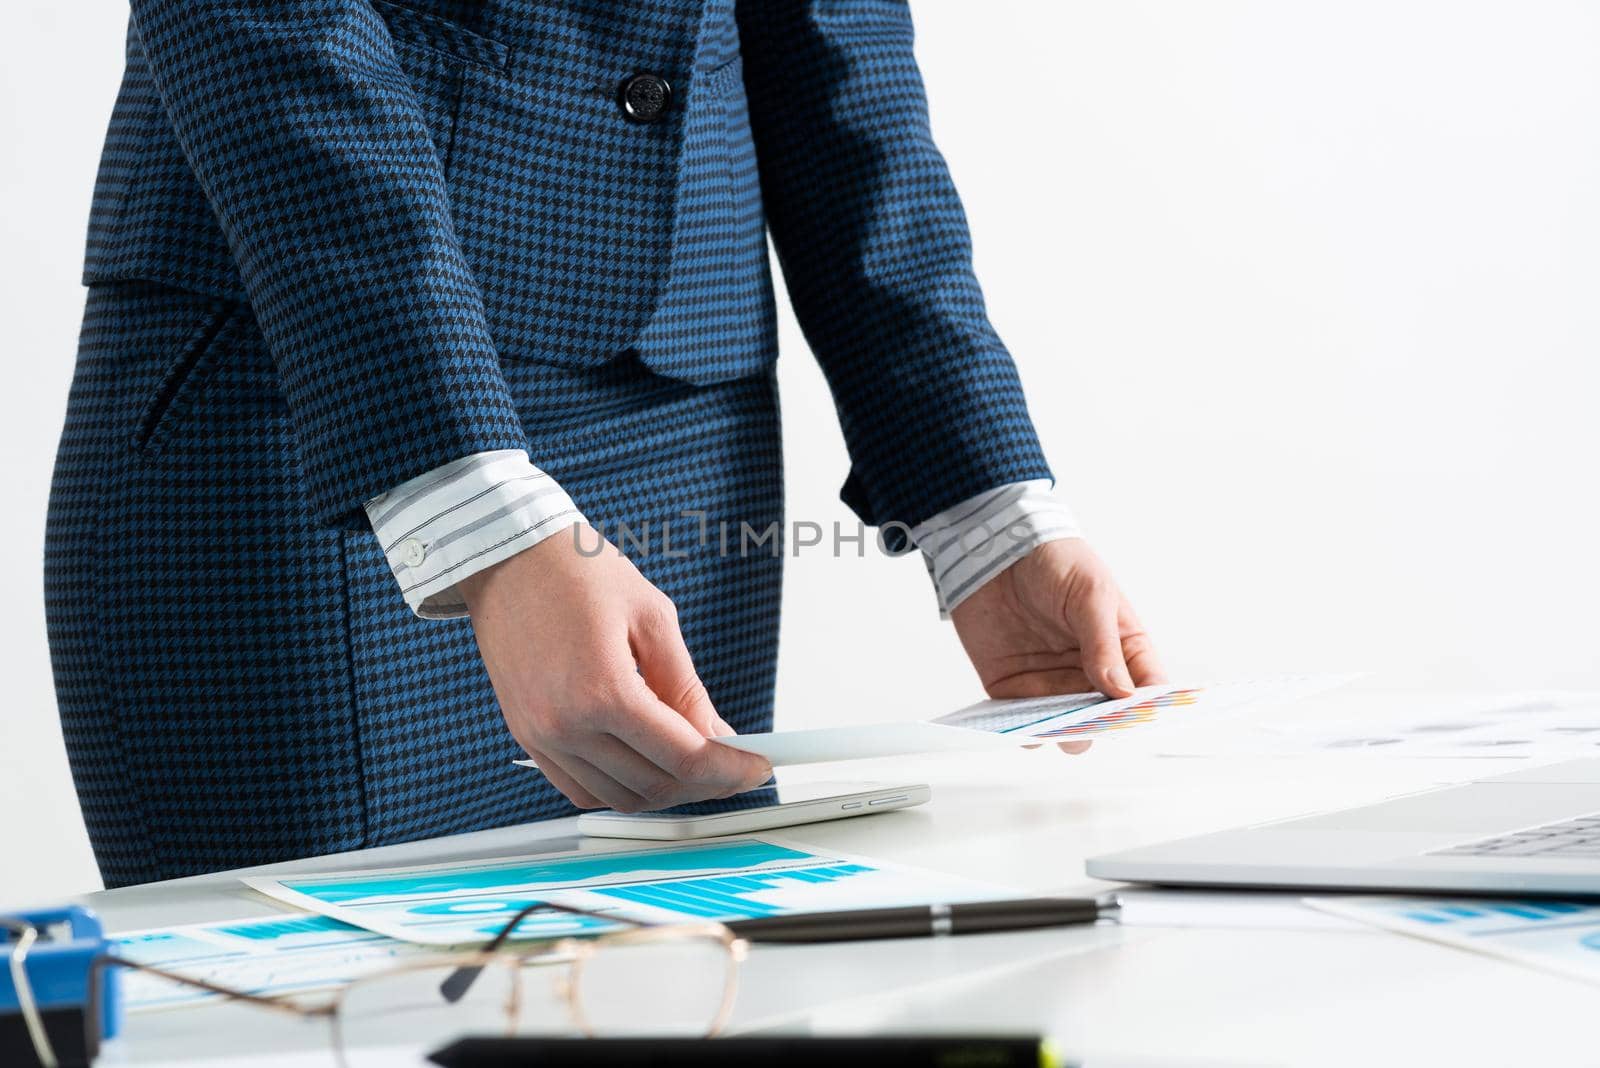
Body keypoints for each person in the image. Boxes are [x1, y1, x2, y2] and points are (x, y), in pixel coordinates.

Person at [45, 0, 1163, 888]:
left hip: (682, 401)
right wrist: (478, 521)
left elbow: (840, 48)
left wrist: (985, 507)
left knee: (664, 1000)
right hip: (323, 386)